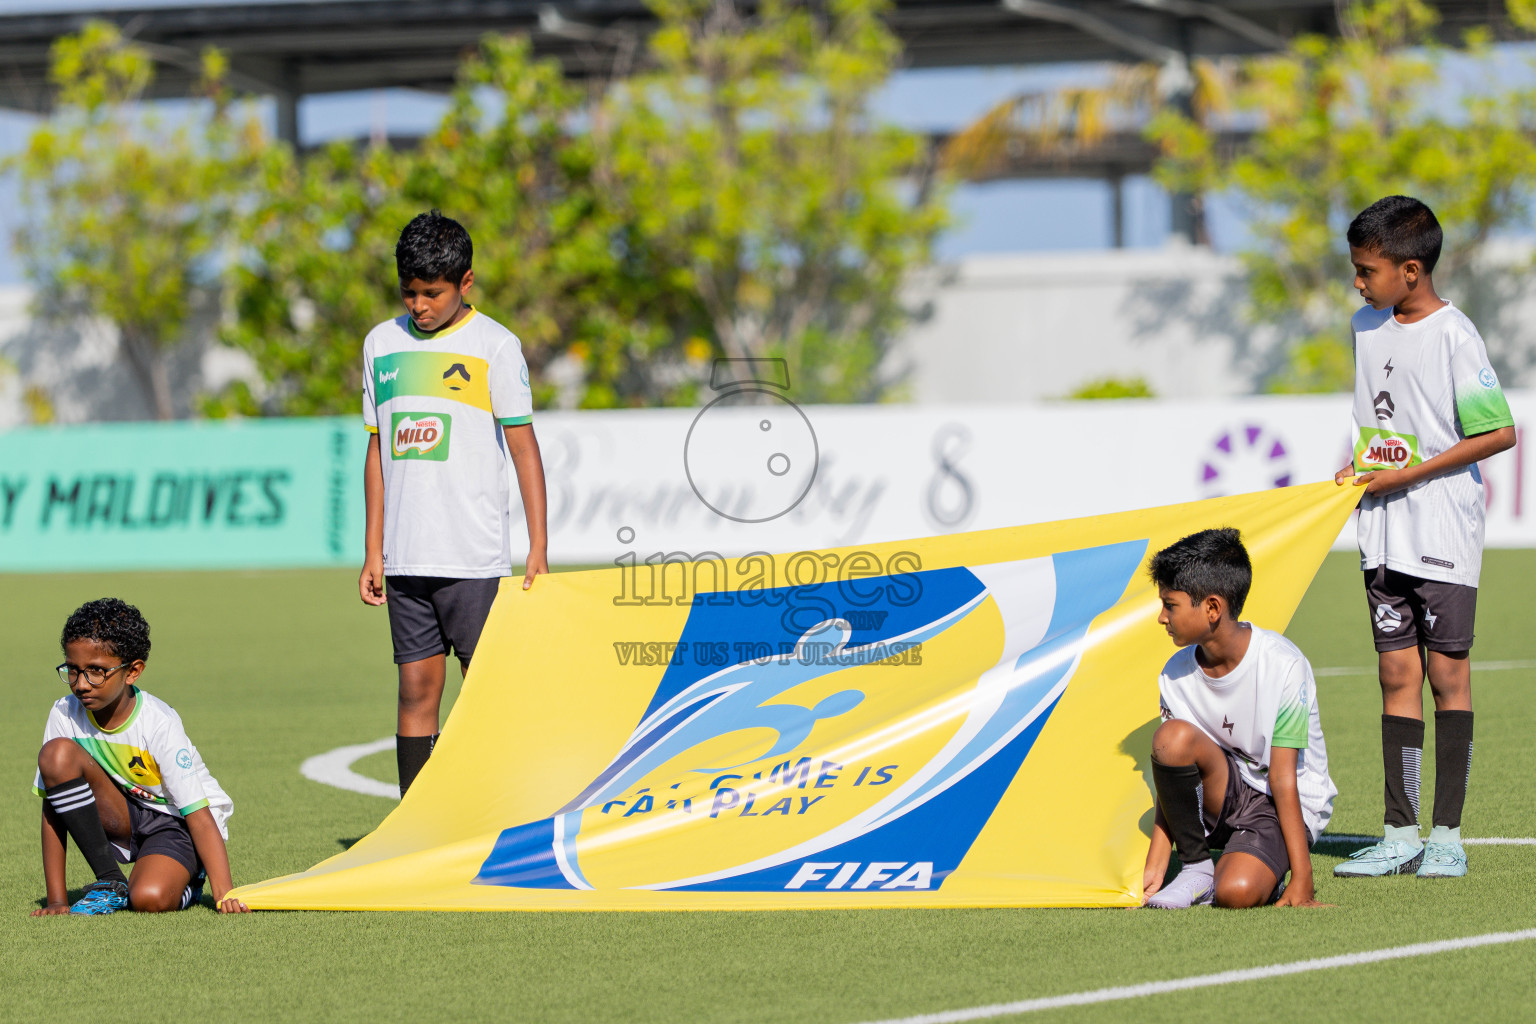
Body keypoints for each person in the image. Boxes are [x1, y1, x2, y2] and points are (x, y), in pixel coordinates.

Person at [1333, 196, 1516, 879]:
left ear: (1411, 270)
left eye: (1367, 270)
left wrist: (1411, 471)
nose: (1358, 282)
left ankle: (1447, 834)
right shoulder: (1365, 327)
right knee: (1394, 673)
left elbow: (1498, 433)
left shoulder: (1454, 336)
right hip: (1381, 528)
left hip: (1439, 525)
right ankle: (1399, 832)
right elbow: (1384, 425)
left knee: (1447, 676)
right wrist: (1366, 466)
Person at [359, 210, 550, 797]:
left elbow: (524, 451)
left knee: (491, 691)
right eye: (409, 293)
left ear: (465, 283)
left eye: (432, 293)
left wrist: (538, 547)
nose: (419, 305)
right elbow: (377, 451)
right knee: (416, 691)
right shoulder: (380, 344)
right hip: (406, 559)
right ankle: (417, 830)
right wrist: (374, 551)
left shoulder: (495, 344)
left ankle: (507, 813)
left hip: (473, 560)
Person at [1141, 529, 1336, 909]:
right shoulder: (1173, 675)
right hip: (1226, 791)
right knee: (1170, 738)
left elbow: (1281, 778)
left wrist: (1303, 879)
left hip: (1279, 802)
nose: (1161, 617)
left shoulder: (1284, 665)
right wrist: (1156, 863)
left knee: (1236, 892)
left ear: (1212, 608)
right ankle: (1197, 868)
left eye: (1170, 605)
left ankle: (1255, 865)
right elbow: (1172, 770)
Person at [32, 598, 246, 916]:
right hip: (125, 812)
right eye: (73, 670)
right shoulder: (64, 713)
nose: (80, 684)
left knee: (148, 899)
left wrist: (224, 893)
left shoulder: (159, 721)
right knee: (56, 755)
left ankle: (191, 874)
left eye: (96, 672)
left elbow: (199, 815)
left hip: (176, 822)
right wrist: (57, 900)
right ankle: (109, 881)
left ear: (133, 671)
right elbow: (54, 806)